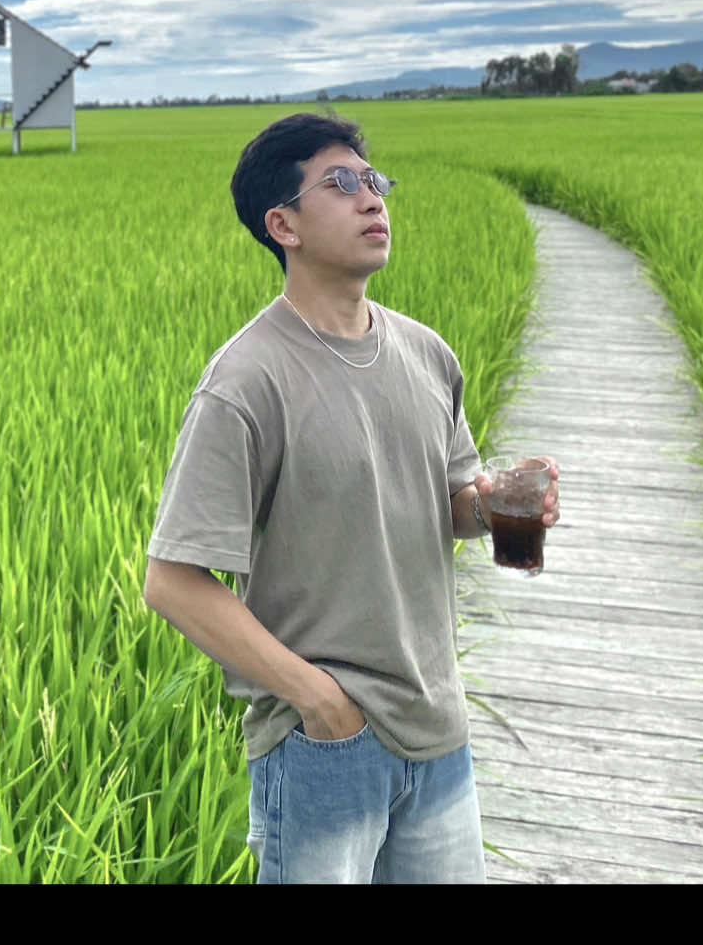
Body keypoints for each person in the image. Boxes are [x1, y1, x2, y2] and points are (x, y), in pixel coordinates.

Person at [143, 112, 560, 884]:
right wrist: (319, 700)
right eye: (339, 184)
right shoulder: (246, 381)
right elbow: (172, 582)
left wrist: (494, 501)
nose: (371, 199)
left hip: (438, 723)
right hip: (324, 747)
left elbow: (449, 504)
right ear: (283, 225)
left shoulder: (425, 351)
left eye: (374, 180)